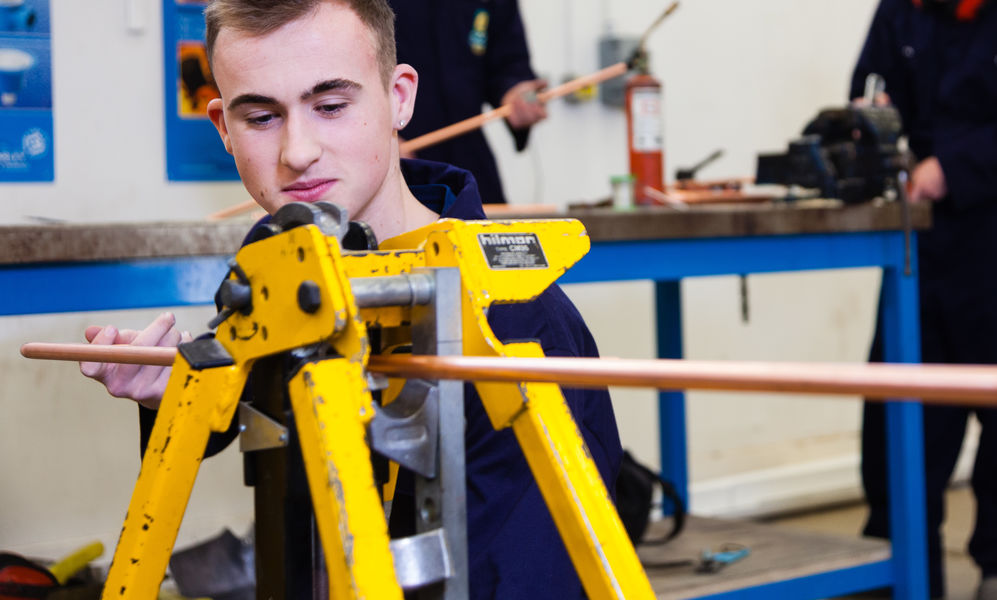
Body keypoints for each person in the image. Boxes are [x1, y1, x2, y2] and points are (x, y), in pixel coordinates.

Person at [79, 1, 620, 598]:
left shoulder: (517, 326)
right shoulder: (290, 272)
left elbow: (526, 578)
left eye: (331, 106)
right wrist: (177, 393)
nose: (298, 151)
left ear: (399, 98)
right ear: (223, 130)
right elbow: (261, 410)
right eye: (261, 117)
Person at [850, 1, 997, 599]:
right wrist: (869, 132)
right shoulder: (902, 9)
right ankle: (901, 563)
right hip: (917, 246)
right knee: (898, 411)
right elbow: (868, 93)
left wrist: (952, 168)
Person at [389, 0, 547, 204]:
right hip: (398, 160)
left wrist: (516, 92)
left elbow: (509, 63)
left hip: (470, 160)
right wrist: (381, 137)